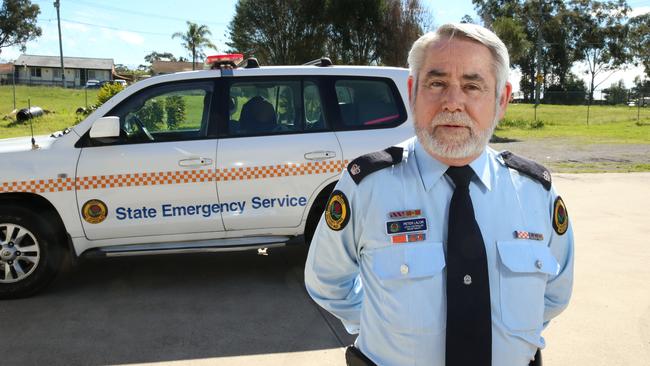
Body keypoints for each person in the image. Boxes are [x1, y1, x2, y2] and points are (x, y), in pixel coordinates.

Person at [304, 23, 574, 366]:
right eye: (437, 83)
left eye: (473, 86)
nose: (452, 102)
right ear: (413, 90)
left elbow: (553, 295)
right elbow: (328, 281)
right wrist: (381, 323)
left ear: (501, 99)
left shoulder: (536, 193)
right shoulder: (368, 186)